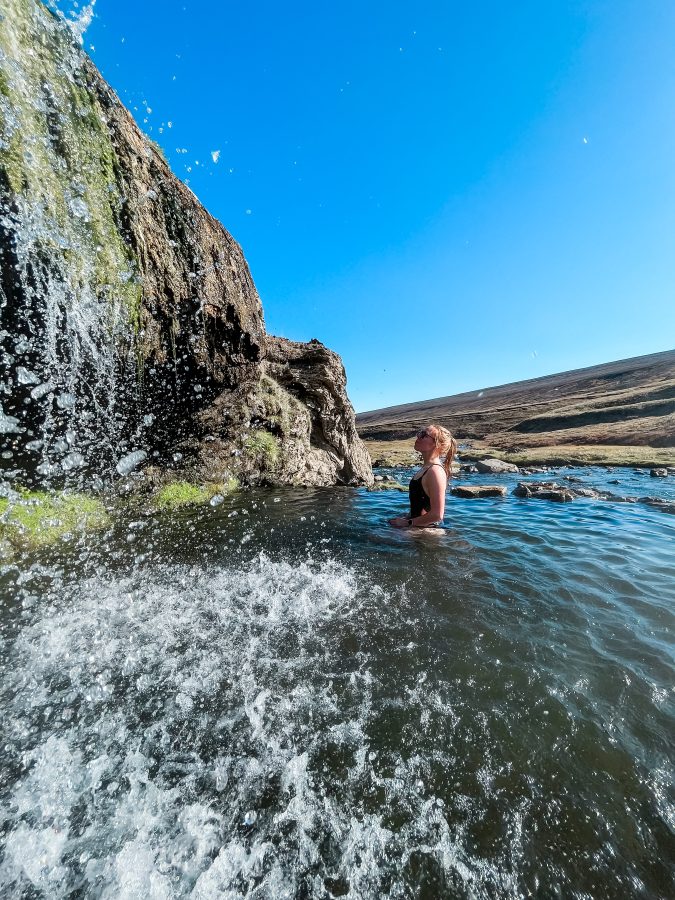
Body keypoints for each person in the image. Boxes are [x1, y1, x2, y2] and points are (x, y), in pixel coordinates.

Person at [388, 424, 457, 528]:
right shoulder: (426, 469)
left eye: (424, 435)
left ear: (437, 444)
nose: (418, 437)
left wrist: (407, 523)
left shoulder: (435, 471)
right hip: (418, 527)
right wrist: (406, 518)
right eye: (420, 433)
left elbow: (437, 515)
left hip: (426, 532)